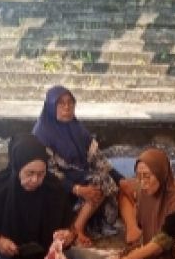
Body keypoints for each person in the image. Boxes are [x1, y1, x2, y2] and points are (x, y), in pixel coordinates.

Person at [0, 135, 112, 259]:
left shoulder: (53, 187)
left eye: (41, 174)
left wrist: (67, 236)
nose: (35, 180)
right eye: (29, 173)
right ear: (17, 167)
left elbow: (71, 230)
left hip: (49, 257)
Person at [32, 86, 136, 244]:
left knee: (117, 184)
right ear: (51, 107)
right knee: (102, 181)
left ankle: (131, 228)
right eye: (61, 103)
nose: (67, 107)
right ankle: (77, 228)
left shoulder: (78, 129)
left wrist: (121, 179)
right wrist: (77, 189)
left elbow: (98, 160)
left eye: (70, 102)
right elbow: (49, 173)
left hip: (82, 182)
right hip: (57, 188)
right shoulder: (42, 134)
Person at [113, 148, 175, 259]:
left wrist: (131, 258)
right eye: (139, 176)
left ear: (160, 173)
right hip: (152, 254)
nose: (143, 182)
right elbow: (124, 191)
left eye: (147, 176)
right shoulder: (143, 190)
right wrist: (132, 226)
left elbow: (164, 239)